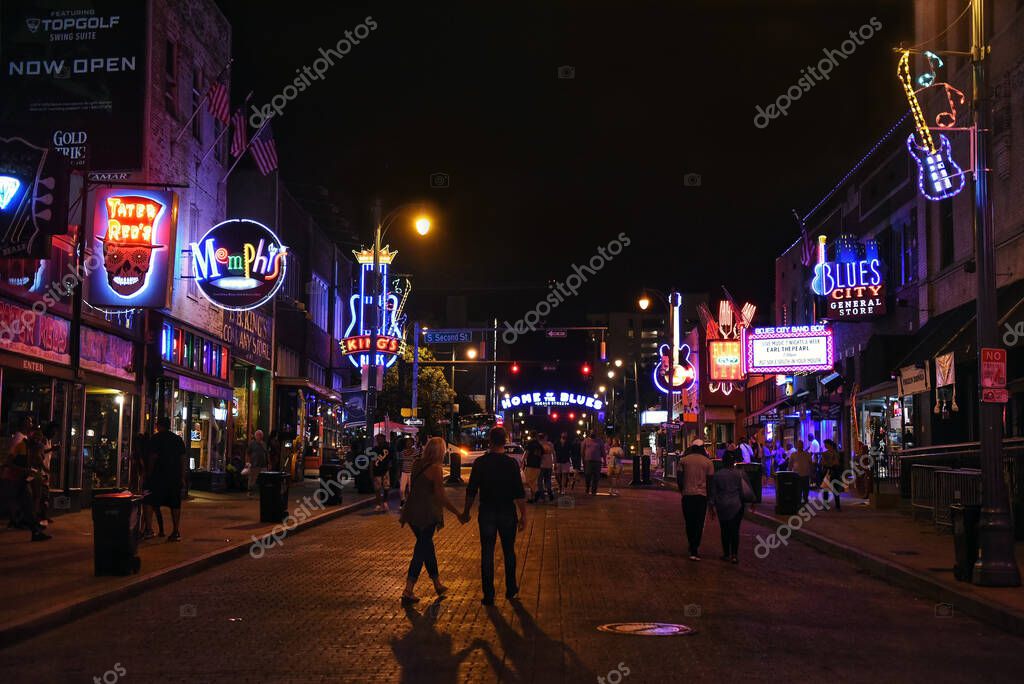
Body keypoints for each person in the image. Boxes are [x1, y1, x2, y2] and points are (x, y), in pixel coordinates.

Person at [462, 427, 526, 606]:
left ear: (489, 441)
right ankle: (511, 588)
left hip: (487, 511)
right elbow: (519, 493)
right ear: (505, 441)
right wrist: (524, 516)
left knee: (487, 552)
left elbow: (471, 490)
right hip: (507, 511)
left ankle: (488, 594)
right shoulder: (511, 464)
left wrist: (466, 512)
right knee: (508, 551)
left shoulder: (481, 463)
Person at [399, 437, 465, 604]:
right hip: (427, 514)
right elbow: (441, 496)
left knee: (426, 546)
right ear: (439, 452)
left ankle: (437, 584)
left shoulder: (416, 464)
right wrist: (457, 513)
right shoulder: (436, 469)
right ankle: (408, 590)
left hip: (412, 512)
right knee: (421, 550)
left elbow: (415, 488)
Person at [144, 416, 187, 542]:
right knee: (175, 504)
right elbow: (183, 460)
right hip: (174, 477)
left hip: (157, 476)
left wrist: (148, 474)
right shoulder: (178, 440)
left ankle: (148, 529)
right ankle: (175, 530)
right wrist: (182, 477)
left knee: (149, 501)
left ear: (159, 425)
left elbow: (153, 457)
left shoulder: (155, 439)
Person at [708, 452, 751, 563]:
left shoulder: (718, 475)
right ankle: (734, 555)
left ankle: (726, 553)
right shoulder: (739, 474)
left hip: (722, 506)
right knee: (735, 531)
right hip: (736, 505)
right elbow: (744, 491)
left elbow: (713, 492)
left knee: (724, 530)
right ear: (733, 462)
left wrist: (711, 506)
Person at [677, 442, 714, 560]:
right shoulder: (708, 462)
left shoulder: (683, 460)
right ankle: (694, 547)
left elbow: (679, 479)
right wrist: (710, 499)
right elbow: (710, 482)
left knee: (689, 522)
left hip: (687, 495)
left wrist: (682, 490)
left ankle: (691, 544)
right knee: (699, 523)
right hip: (701, 496)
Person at [820, 439, 844, 512]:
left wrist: (828, 464)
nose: (824, 446)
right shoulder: (834, 452)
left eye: (825, 444)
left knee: (830, 489)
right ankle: (836, 506)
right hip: (832, 472)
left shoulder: (830, 453)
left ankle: (829, 506)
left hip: (831, 472)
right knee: (832, 489)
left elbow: (826, 463)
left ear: (829, 444)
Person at [371, 433, 392, 513]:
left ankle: (385, 502)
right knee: (377, 489)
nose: (379, 440)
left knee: (386, 487)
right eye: (377, 439)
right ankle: (378, 504)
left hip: (385, 470)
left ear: (383, 439)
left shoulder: (388, 449)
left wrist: (390, 467)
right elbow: (372, 461)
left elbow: (390, 460)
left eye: (380, 439)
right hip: (377, 471)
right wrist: (371, 471)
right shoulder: (374, 449)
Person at [788, 439, 813, 504]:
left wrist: (811, 472)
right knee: (798, 490)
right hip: (797, 475)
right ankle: (798, 502)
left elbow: (810, 464)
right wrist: (789, 473)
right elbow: (790, 464)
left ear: (803, 445)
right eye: (798, 444)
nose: (800, 446)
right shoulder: (793, 454)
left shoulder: (807, 454)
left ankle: (805, 501)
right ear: (796, 445)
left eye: (801, 444)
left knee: (805, 490)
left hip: (805, 474)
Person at [246, 429, 268, 498]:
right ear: (255, 436)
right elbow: (248, 453)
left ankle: (263, 493)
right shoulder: (252, 443)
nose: (260, 437)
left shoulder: (264, 444)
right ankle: (250, 493)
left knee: (264, 479)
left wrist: (269, 463)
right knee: (252, 480)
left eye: (261, 435)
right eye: (258, 435)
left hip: (263, 465)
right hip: (254, 464)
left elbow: (266, 453)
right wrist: (248, 462)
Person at [534, 433, 555, 503]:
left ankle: (542, 495)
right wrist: (555, 463)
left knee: (540, 481)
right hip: (549, 464)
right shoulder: (550, 444)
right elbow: (554, 454)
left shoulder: (538, 445)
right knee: (548, 480)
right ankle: (550, 492)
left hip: (541, 465)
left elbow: (537, 455)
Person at [398, 436, 418, 506]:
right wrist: (399, 473)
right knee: (402, 489)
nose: (408, 444)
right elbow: (400, 463)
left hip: (412, 472)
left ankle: (410, 503)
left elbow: (417, 462)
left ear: (412, 443)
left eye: (410, 442)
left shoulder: (416, 452)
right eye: (407, 442)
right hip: (404, 472)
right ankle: (402, 500)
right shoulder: (402, 452)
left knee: (410, 489)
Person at [522, 435, 542, 502]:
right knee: (533, 482)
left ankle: (536, 491)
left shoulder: (530, 444)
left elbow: (526, 453)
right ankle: (532, 498)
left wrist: (522, 460)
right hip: (538, 466)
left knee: (527, 480)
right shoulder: (539, 445)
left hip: (530, 465)